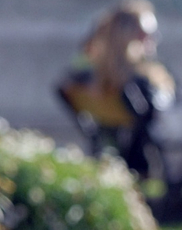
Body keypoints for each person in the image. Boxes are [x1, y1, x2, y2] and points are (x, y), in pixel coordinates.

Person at [58, 0, 175, 175]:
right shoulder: (136, 81)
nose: (152, 40)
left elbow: (63, 86)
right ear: (129, 36)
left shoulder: (87, 76)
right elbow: (151, 117)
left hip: (114, 152)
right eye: (147, 34)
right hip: (143, 159)